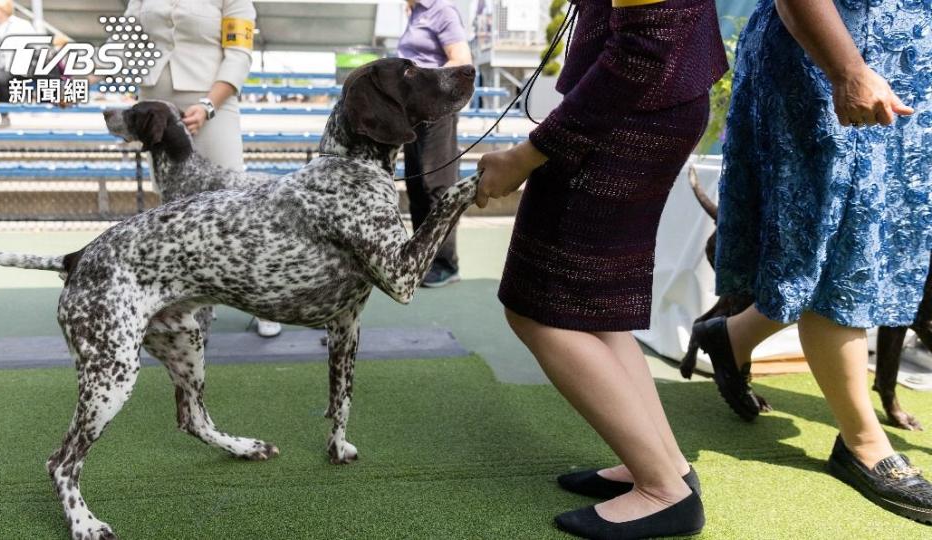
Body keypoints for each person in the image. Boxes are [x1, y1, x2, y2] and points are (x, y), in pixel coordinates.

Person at [476, 0, 727, 537]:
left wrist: (527, 156)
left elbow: (642, 49)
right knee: (595, 313)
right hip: (651, 105)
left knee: (537, 307)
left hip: (630, 112)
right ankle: (663, 466)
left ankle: (662, 490)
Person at [696, 0, 932, 521]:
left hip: (904, 66)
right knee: (844, 253)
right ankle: (863, 444)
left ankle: (730, 337)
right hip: (833, 56)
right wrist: (845, 70)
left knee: (871, 249)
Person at [126, 0, 282, 338]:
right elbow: (127, 38)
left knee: (236, 212)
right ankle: (183, 306)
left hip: (213, 103)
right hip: (155, 103)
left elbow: (239, 53)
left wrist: (209, 104)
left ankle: (262, 303)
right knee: (173, 217)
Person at [398, 0, 472, 287]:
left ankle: (445, 263)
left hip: (437, 109)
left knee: (437, 186)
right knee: (417, 184)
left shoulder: (442, 10)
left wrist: (425, 86)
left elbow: (461, 59)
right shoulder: (416, 12)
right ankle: (422, 257)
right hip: (414, 112)